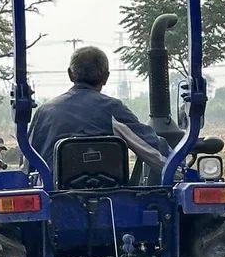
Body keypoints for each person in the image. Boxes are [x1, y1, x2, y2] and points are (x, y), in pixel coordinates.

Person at [30, 46, 171, 171]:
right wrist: (180, 166)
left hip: (53, 197)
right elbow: (152, 149)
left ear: (70, 74)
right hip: (109, 195)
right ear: (106, 77)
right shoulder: (112, 109)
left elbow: (28, 162)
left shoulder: (43, 112)